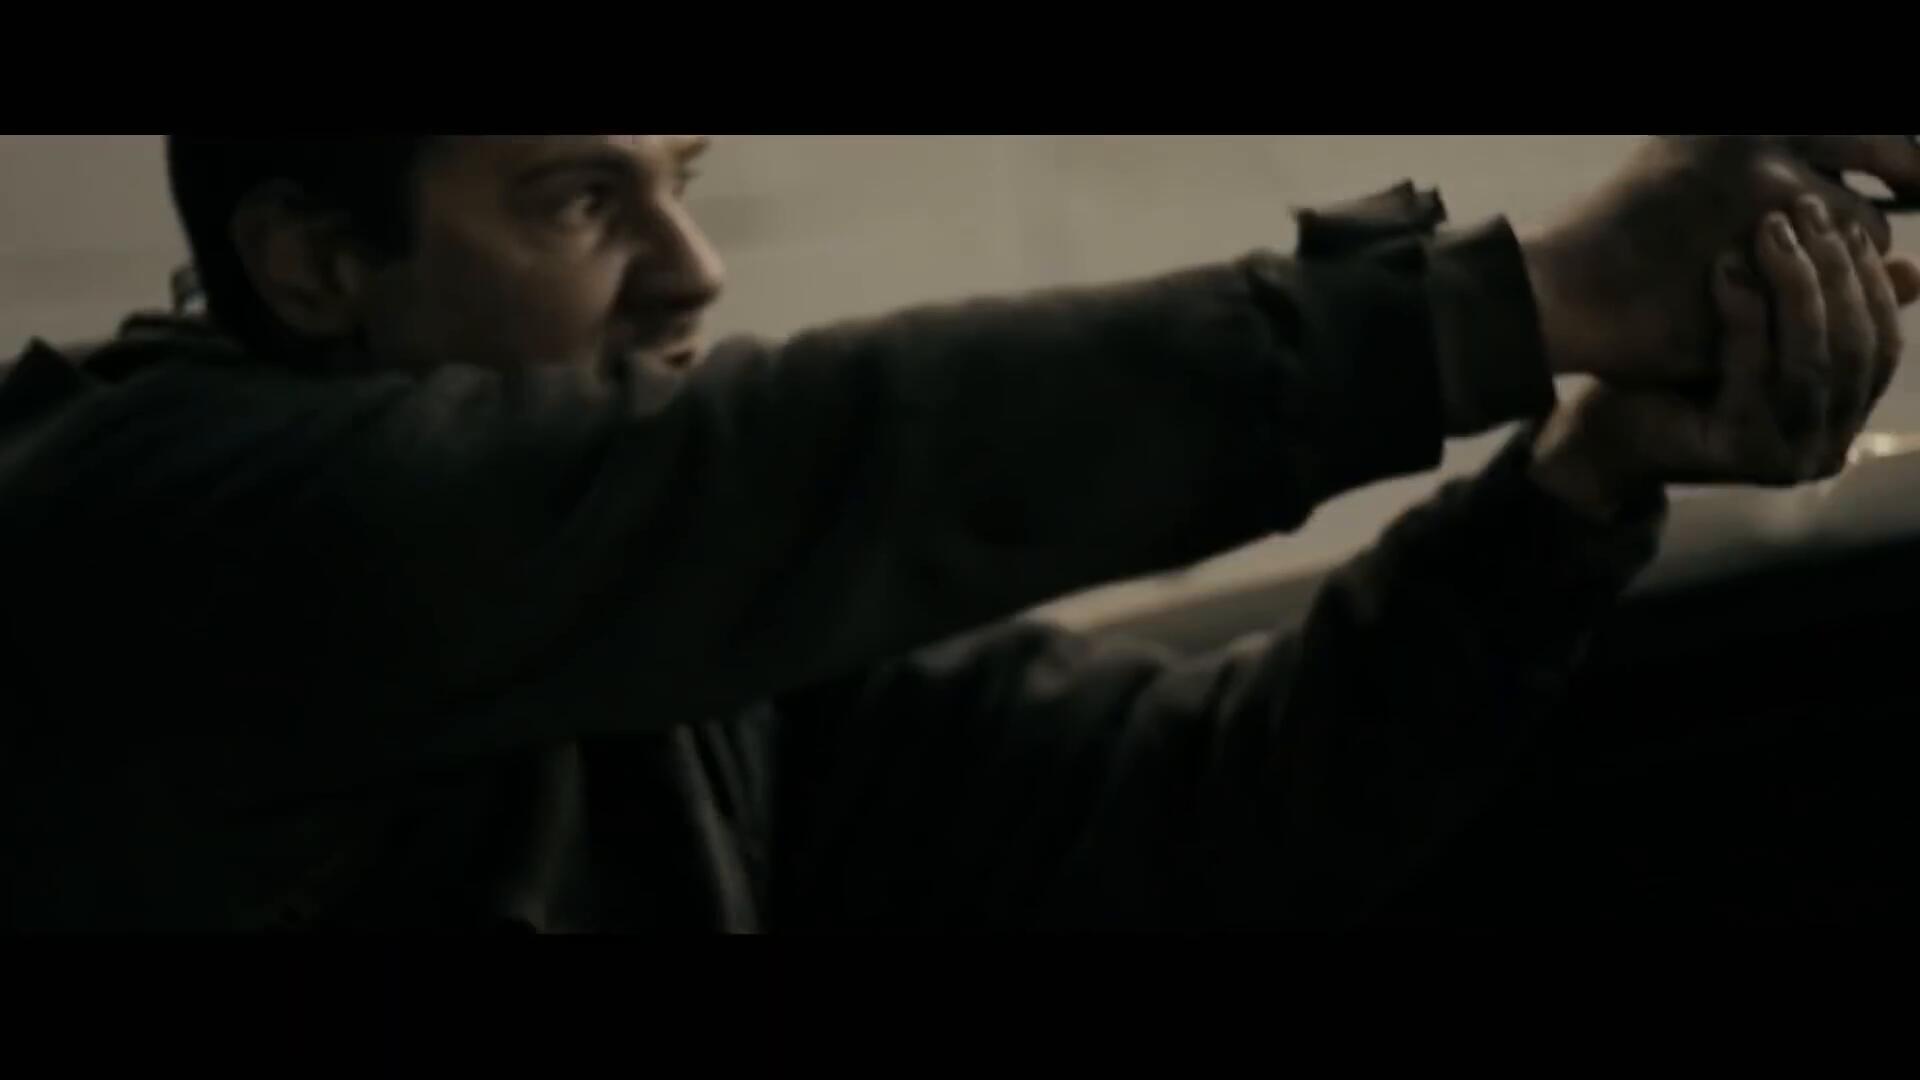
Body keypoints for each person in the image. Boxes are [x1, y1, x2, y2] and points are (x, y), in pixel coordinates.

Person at [0, 135, 1913, 932]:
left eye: (680, 171)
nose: (696, 266)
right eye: (581, 199)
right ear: (310, 264)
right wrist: (1531, 298)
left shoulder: (668, 600)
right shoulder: (142, 535)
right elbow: (809, 458)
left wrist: (1585, 476)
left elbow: (1183, 804)